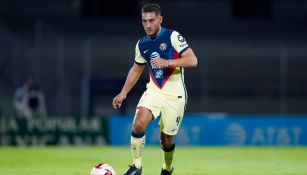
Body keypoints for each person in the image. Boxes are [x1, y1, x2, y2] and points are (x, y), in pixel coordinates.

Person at [112, 4, 197, 175]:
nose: (148, 25)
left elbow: (192, 60)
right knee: (138, 123)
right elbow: (137, 68)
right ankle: (136, 167)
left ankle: (167, 168)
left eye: (151, 20)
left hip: (175, 95)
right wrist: (123, 92)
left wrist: (167, 62)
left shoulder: (173, 36)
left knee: (166, 140)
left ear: (160, 19)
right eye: (144, 21)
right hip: (155, 90)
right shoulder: (142, 44)